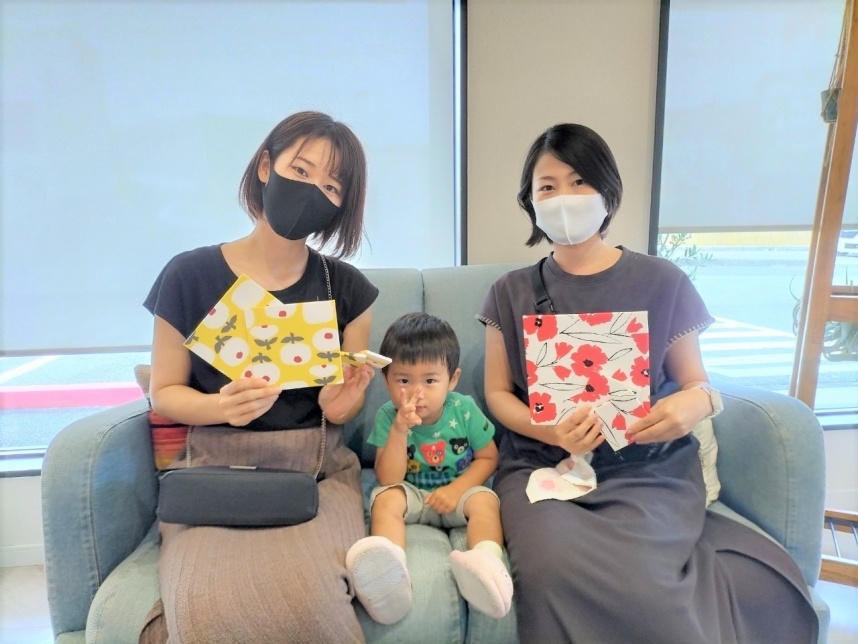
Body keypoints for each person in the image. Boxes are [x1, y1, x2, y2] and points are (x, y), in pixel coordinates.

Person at [478, 123, 818, 643]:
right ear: (531, 201)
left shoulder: (662, 281)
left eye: (578, 181)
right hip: (543, 466)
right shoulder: (510, 292)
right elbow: (497, 393)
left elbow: (696, 383)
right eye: (547, 186)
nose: (563, 198)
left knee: (651, 584)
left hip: (647, 467)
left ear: (608, 192)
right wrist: (548, 430)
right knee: (549, 570)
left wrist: (690, 407)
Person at [140, 111, 379, 643]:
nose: (312, 191)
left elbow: (338, 411)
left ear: (342, 205)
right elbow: (165, 392)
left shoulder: (347, 288)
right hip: (214, 472)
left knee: (312, 600)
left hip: (314, 473)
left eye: (331, 186)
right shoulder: (188, 275)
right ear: (266, 167)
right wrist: (219, 407)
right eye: (301, 170)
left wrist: (343, 397)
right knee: (202, 602)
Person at [346, 313, 513, 625]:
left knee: (486, 502)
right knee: (385, 499)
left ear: (453, 379)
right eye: (403, 381)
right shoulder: (388, 416)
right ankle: (390, 570)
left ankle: (487, 564)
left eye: (430, 381)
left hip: (458, 492)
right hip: (412, 492)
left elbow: (489, 458)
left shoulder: (464, 410)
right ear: (386, 379)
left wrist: (456, 489)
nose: (416, 393)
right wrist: (399, 430)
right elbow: (389, 478)